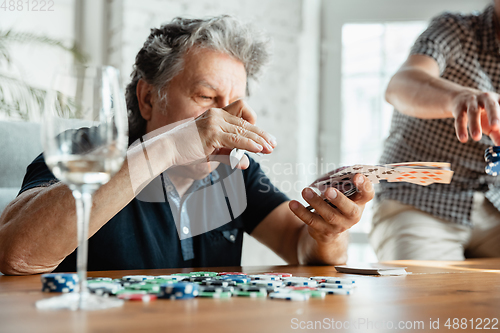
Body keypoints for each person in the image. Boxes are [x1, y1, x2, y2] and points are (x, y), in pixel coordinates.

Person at [0, 16, 374, 275]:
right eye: (207, 97)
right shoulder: (86, 148)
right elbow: (16, 255)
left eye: (234, 101)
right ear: (148, 99)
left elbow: (299, 247)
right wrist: (165, 148)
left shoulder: (233, 172)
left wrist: (327, 233)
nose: (225, 117)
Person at [371, 2, 500, 261]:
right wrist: (457, 98)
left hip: (494, 205)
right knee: (427, 292)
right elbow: (401, 84)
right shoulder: (455, 29)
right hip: (418, 199)